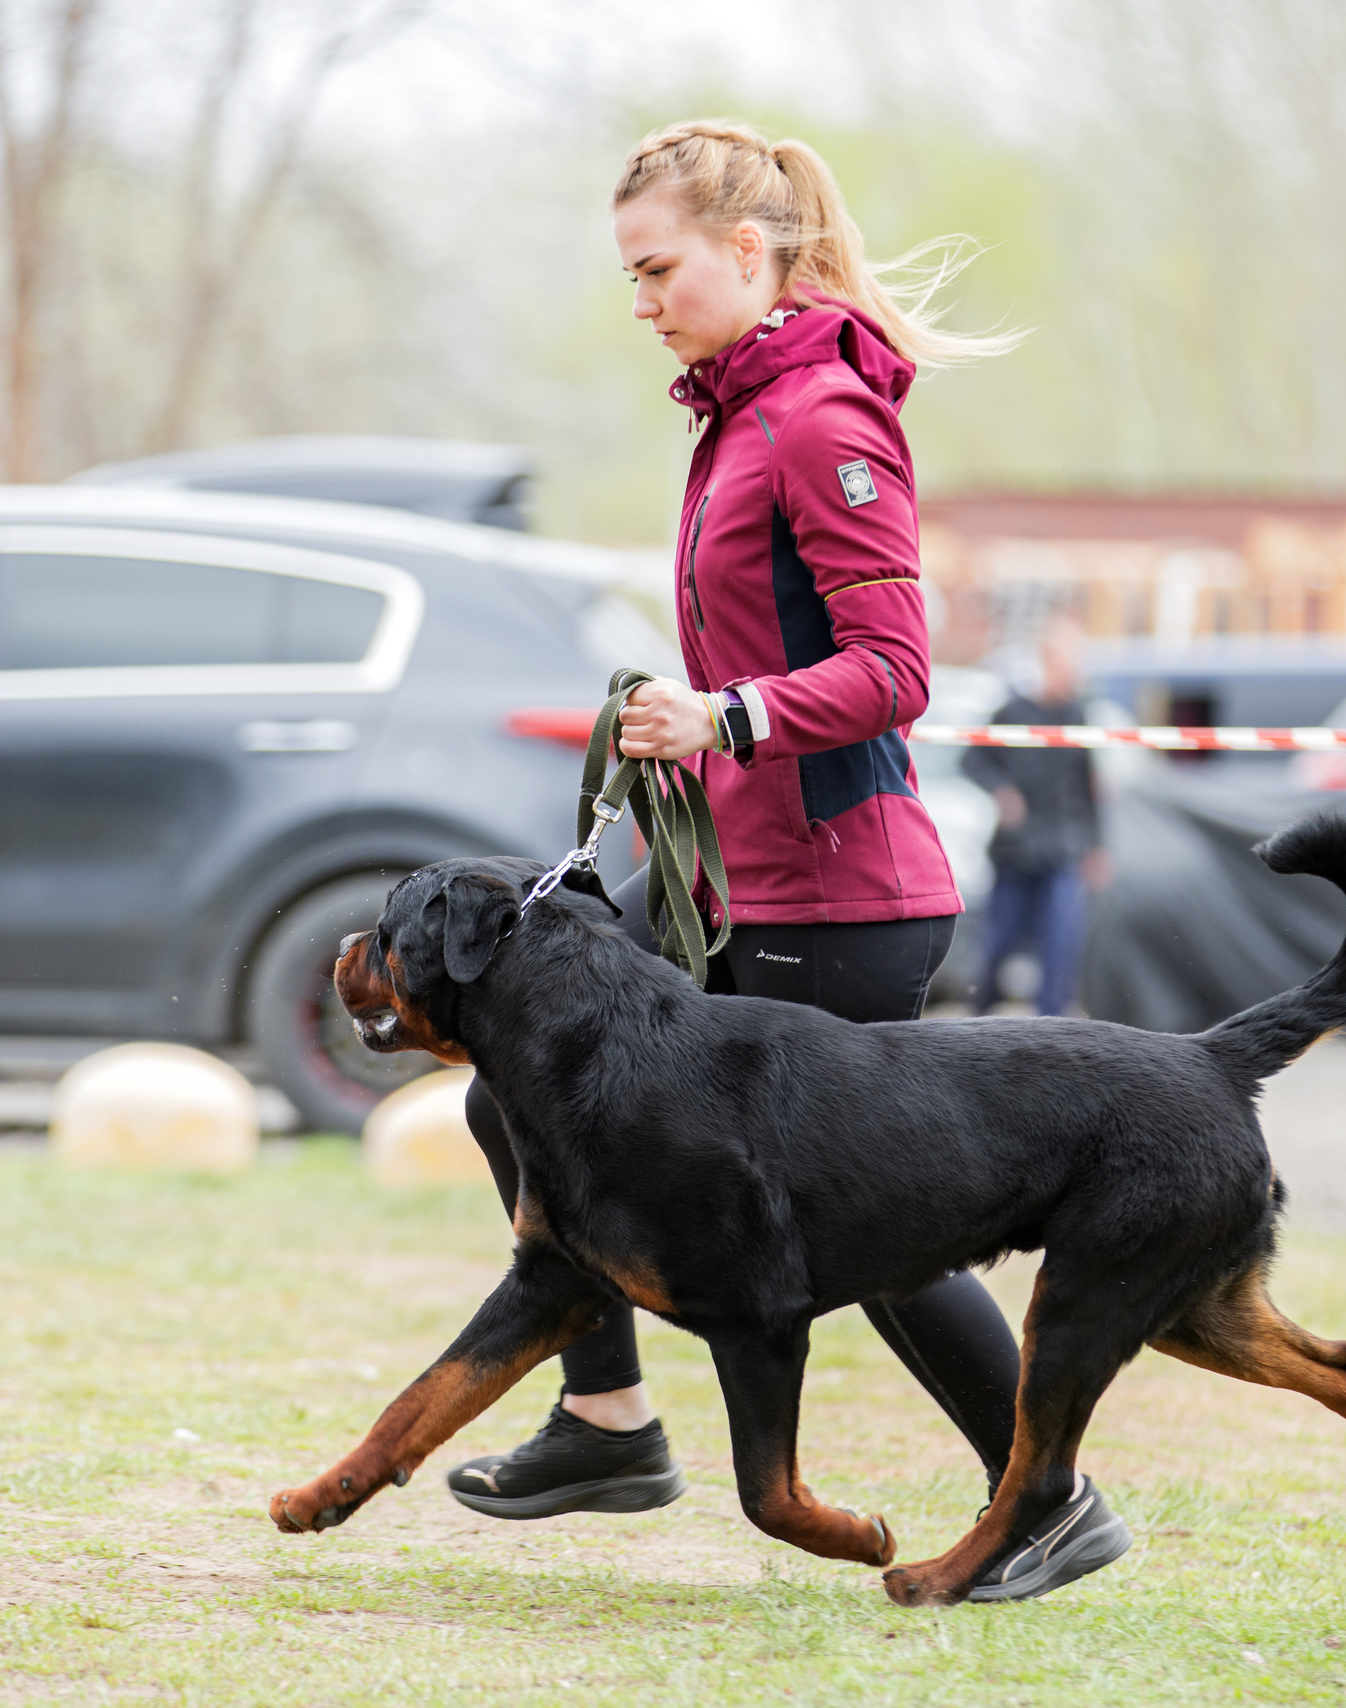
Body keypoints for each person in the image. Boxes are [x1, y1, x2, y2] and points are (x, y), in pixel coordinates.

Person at [442, 119, 1129, 1601]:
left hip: (842, 896)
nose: (643, 304)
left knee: (874, 1237)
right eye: (630, 278)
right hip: (727, 882)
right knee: (525, 1083)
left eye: (658, 270)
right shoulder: (736, 414)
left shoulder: (819, 417)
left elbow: (897, 670)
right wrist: (675, 729)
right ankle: (607, 1421)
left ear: (747, 252)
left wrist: (729, 713)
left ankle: (1054, 1502)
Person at [963, 619, 1111, 1016]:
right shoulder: (1012, 711)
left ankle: (1052, 1034)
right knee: (999, 945)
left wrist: (1097, 846)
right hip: (1015, 850)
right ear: (1048, 662)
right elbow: (972, 758)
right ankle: (977, 1022)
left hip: (1063, 850)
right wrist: (1001, 791)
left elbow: (1088, 788)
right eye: (1069, 662)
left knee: (1060, 947)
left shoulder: (1078, 715)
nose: (1076, 671)